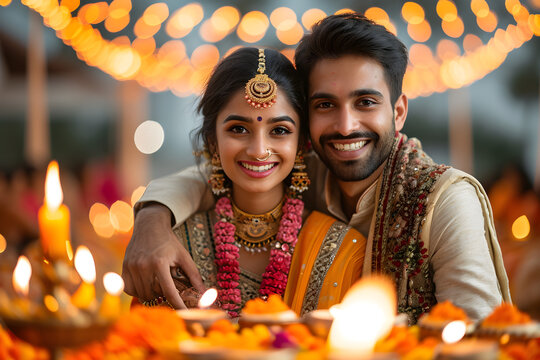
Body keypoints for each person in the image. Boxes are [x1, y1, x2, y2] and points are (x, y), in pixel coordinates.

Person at [123, 13, 510, 323]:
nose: (345, 126)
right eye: (326, 104)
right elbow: (219, 174)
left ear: (398, 111)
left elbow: (479, 337)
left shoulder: (444, 202)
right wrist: (152, 220)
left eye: (365, 103)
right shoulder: (303, 168)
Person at [124, 47, 365, 317]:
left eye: (279, 131)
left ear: (301, 144)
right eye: (238, 129)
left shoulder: (343, 250)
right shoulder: (170, 247)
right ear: (213, 140)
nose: (258, 150)